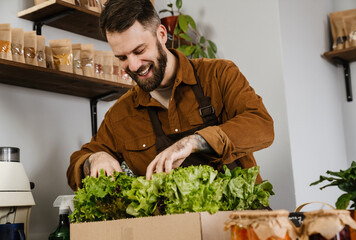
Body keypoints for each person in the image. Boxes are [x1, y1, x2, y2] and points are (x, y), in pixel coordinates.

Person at [66, 0, 274, 191]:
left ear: (162, 35)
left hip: (241, 224)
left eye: (139, 50)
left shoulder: (219, 74)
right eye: (122, 57)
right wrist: (94, 159)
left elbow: (261, 125)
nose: (134, 66)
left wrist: (194, 142)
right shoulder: (120, 115)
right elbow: (76, 165)